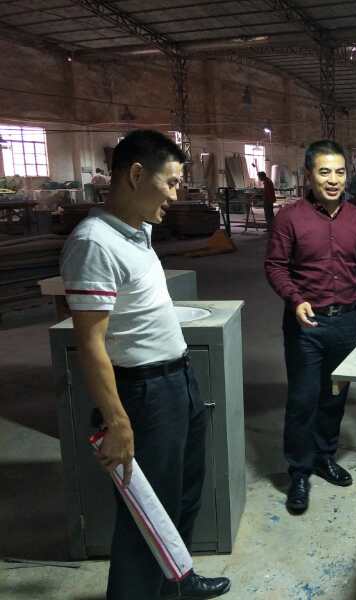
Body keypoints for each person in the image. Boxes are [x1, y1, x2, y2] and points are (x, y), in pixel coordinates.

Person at [60, 130, 231, 600]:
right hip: (144, 393)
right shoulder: (93, 243)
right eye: (171, 183)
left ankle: (177, 582)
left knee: (183, 495)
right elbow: (90, 343)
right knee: (145, 515)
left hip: (178, 380)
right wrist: (117, 421)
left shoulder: (138, 229)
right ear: (136, 175)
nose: (176, 196)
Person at [265, 140, 356, 515]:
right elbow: (275, 266)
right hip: (306, 323)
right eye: (325, 171)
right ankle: (299, 471)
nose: (333, 180)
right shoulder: (290, 218)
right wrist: (295, 298)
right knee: (303, 399)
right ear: (309, 175)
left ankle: (324, 457)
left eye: (340, 172)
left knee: (335, 396)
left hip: (345, 323)